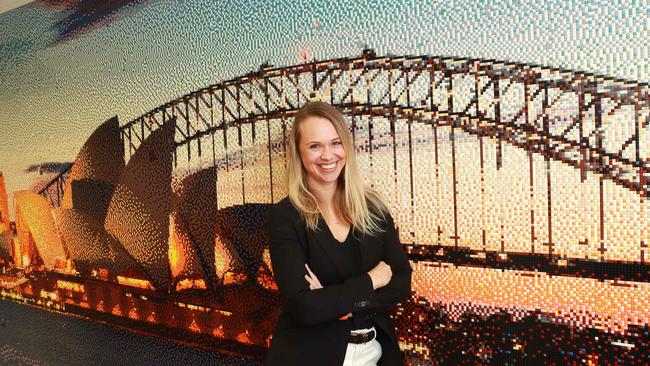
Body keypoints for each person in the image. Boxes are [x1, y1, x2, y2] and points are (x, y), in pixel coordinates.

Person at [265, 101, 412, 365]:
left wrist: (338, 302)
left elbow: (401, 283)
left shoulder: (374, 209)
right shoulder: (285, 217)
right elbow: (304, 308)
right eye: (314, 146)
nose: (328, 155)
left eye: (335, 143)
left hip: (376, 352)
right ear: (298, 153)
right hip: (311, 355)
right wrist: (371, 280)